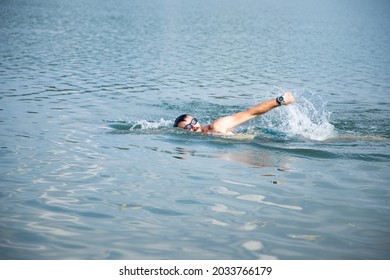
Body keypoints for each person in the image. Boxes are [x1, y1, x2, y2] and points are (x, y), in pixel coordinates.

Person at [173, 91, 295, 134]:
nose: (194, 126)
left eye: (193, 121)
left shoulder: (217, 126)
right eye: (188, 127)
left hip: (265, 141)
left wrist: (280, 100)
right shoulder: (207, 135)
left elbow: (250, 113)